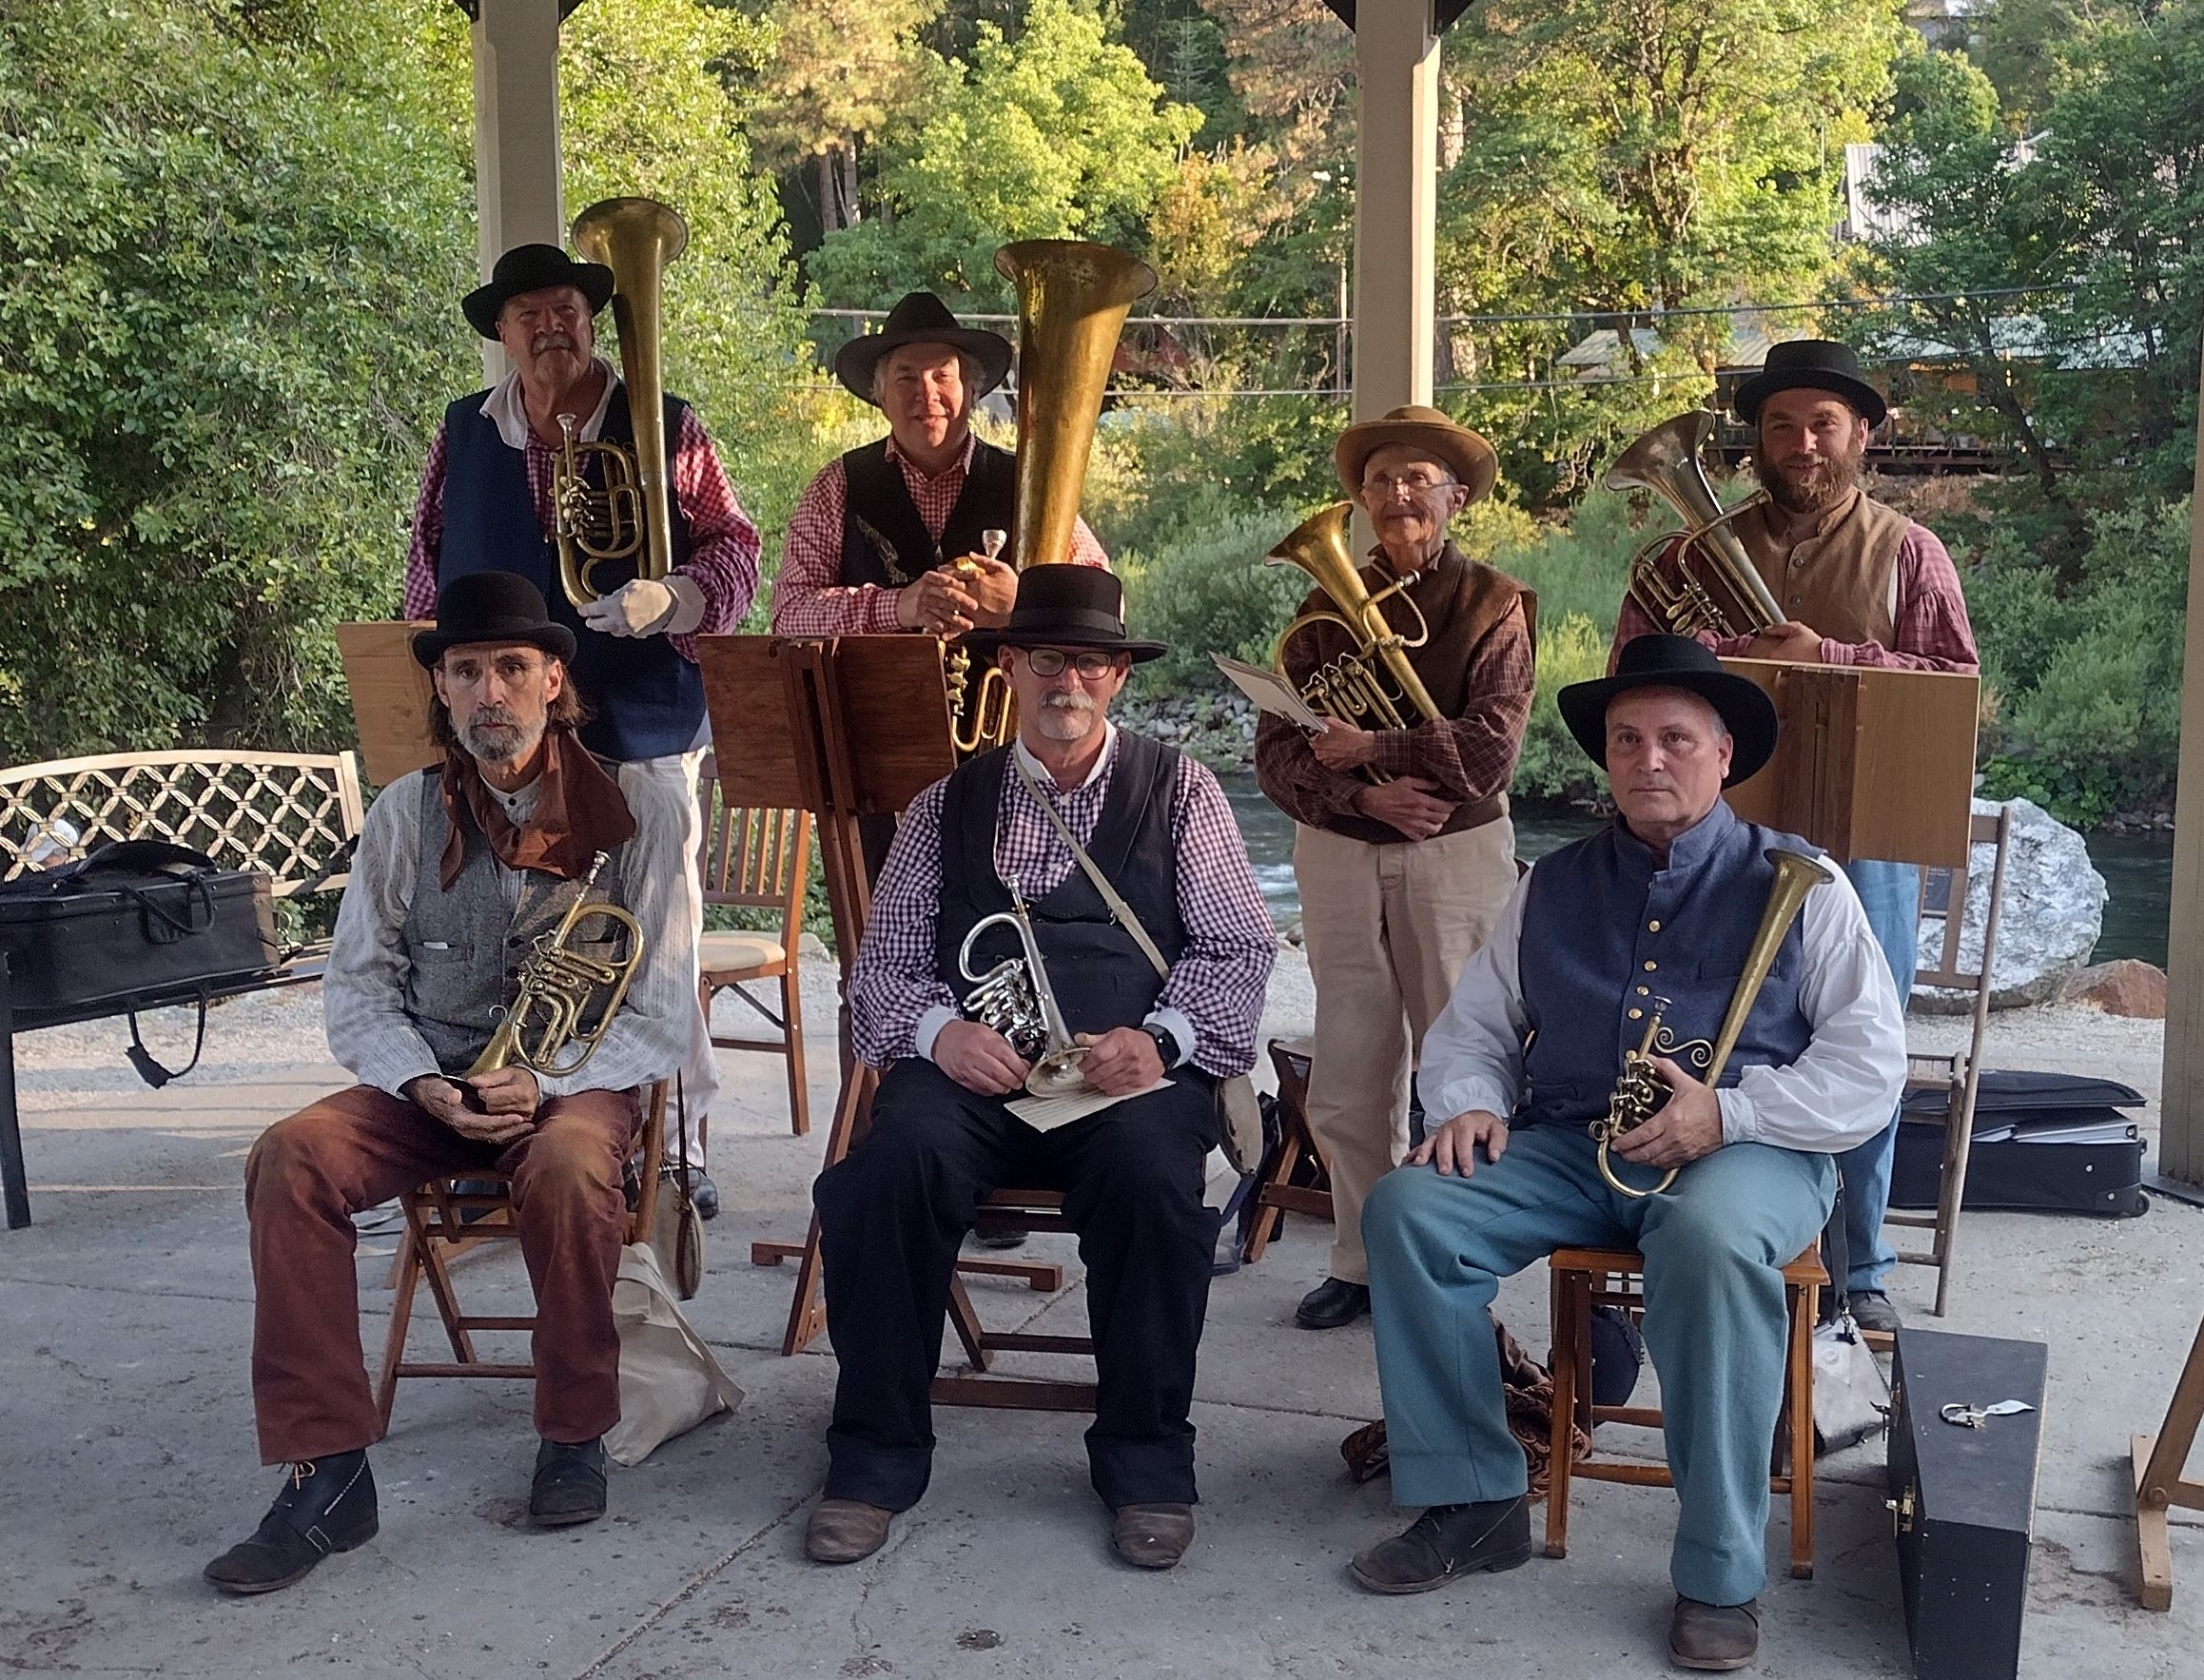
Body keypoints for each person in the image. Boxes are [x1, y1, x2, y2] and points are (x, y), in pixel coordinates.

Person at [1348, 634, 1905, 1671]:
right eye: (1626, 740)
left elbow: (1871, 1069)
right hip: (1572, 1144)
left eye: (1675, 739)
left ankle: (1718, 1571)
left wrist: (1728, 1115)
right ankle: (1475, 1499)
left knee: (1706, 1239)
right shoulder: (1550, 883)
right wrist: (1467, 1103)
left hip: (1752, 1154)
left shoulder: (1809, 884)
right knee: (1408, 1210)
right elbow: (1474, 1028)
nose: (1649, 759)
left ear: (1723, 753)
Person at [203, 573, 694, 1595]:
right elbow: (357, 987)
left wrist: (546, 1084)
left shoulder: (639, 807)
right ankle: (329, 1474)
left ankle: (573, 1434)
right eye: (467, 671)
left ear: (554, 680)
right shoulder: (403, 811)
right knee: (289, 1156)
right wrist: (420, 1080)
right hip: (430, 1082)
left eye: (512, 668)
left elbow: (661, 1014)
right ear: (442, 688)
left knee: (568, 1165)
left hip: (570, 1085)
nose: (490, 693)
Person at [803, 568, 1275, 1573]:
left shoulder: (1182, 790)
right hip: (973, 1077)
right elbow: (882, 967)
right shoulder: (943, 803)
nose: (1070, 679)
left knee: (1153, 1182)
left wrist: (1163, 1041)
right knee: (887, 1172)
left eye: (1091, 661)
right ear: (1009, 666)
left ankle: (1146, 1461)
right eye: (1049, 658)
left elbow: (1237, 947)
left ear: (1118, 676)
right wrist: (938, 1033)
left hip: (1125, 1076)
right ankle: (874, 1455)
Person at [1610, 339, 1979, 1335]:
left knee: (1862, 1046)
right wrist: (1732, 653)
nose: (1801, 443)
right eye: (1780, 425)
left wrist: (1830, 655)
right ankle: (1707, 1236)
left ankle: (1858, 1270)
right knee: (1705, 1035)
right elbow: (1630, 674)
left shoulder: (1910, 552)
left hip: (1864, 842)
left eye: (1822, 424)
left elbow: (1954, 688)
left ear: (1860, 436)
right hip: (1718, 843)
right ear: (1757, 441)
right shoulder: (1683, 559)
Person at [405, 243, 762, 1217]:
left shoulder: (662, 423)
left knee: (658, 933)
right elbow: (425, 567)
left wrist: (677, 596)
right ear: (501, 332)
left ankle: (677, 1148)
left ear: (592, 318)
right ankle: (504, 1131)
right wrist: (439, 678)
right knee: (505, 932)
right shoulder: (463, 431)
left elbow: (737, 548)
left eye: (564, 308)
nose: (548, 327)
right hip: (506, 728)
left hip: (639, 716)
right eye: (528, 314)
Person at [1253, 405, 1533, 1331]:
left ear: (1455, 497)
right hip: (1343, 850)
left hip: (1455, 854)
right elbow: (1274, 755)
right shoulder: (1318, 611)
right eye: (1380, 481)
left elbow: (1490, 749)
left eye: (1417, 479)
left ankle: (1454, 1258)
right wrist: (1365, 797)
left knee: (1463, 1064)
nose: (1397, 495)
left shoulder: (1496, 602)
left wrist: (1377, 745)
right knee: (1348, 1073)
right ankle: (1362, 1259)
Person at [770, 290, 1107, 643]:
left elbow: (1104, 603)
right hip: (873, 684)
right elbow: (787, 615)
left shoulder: (1026, 484)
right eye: (906, 378)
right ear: (881, 397)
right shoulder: (836, 485)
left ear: (972, 392)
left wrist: (1023, 605)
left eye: (943, 376)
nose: (926, 393)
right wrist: (897, 607)